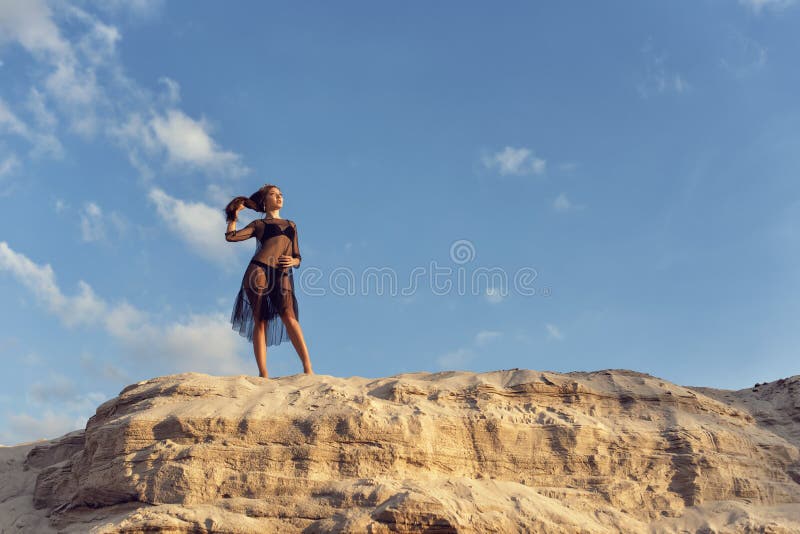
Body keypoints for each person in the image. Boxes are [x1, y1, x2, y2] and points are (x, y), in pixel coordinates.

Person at [223, 184, 313, 378]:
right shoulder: (259, 225)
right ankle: (263, 374)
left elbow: (297, 255)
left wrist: (293, 261)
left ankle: (308, 369)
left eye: (281, 194)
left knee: (290, 317)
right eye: (273, 194)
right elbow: (231, 237)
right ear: (265, 201)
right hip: (258, 271)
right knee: (260, 320)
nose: (279, 197)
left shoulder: (291, 225)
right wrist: (233, 216)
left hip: (281, 274)